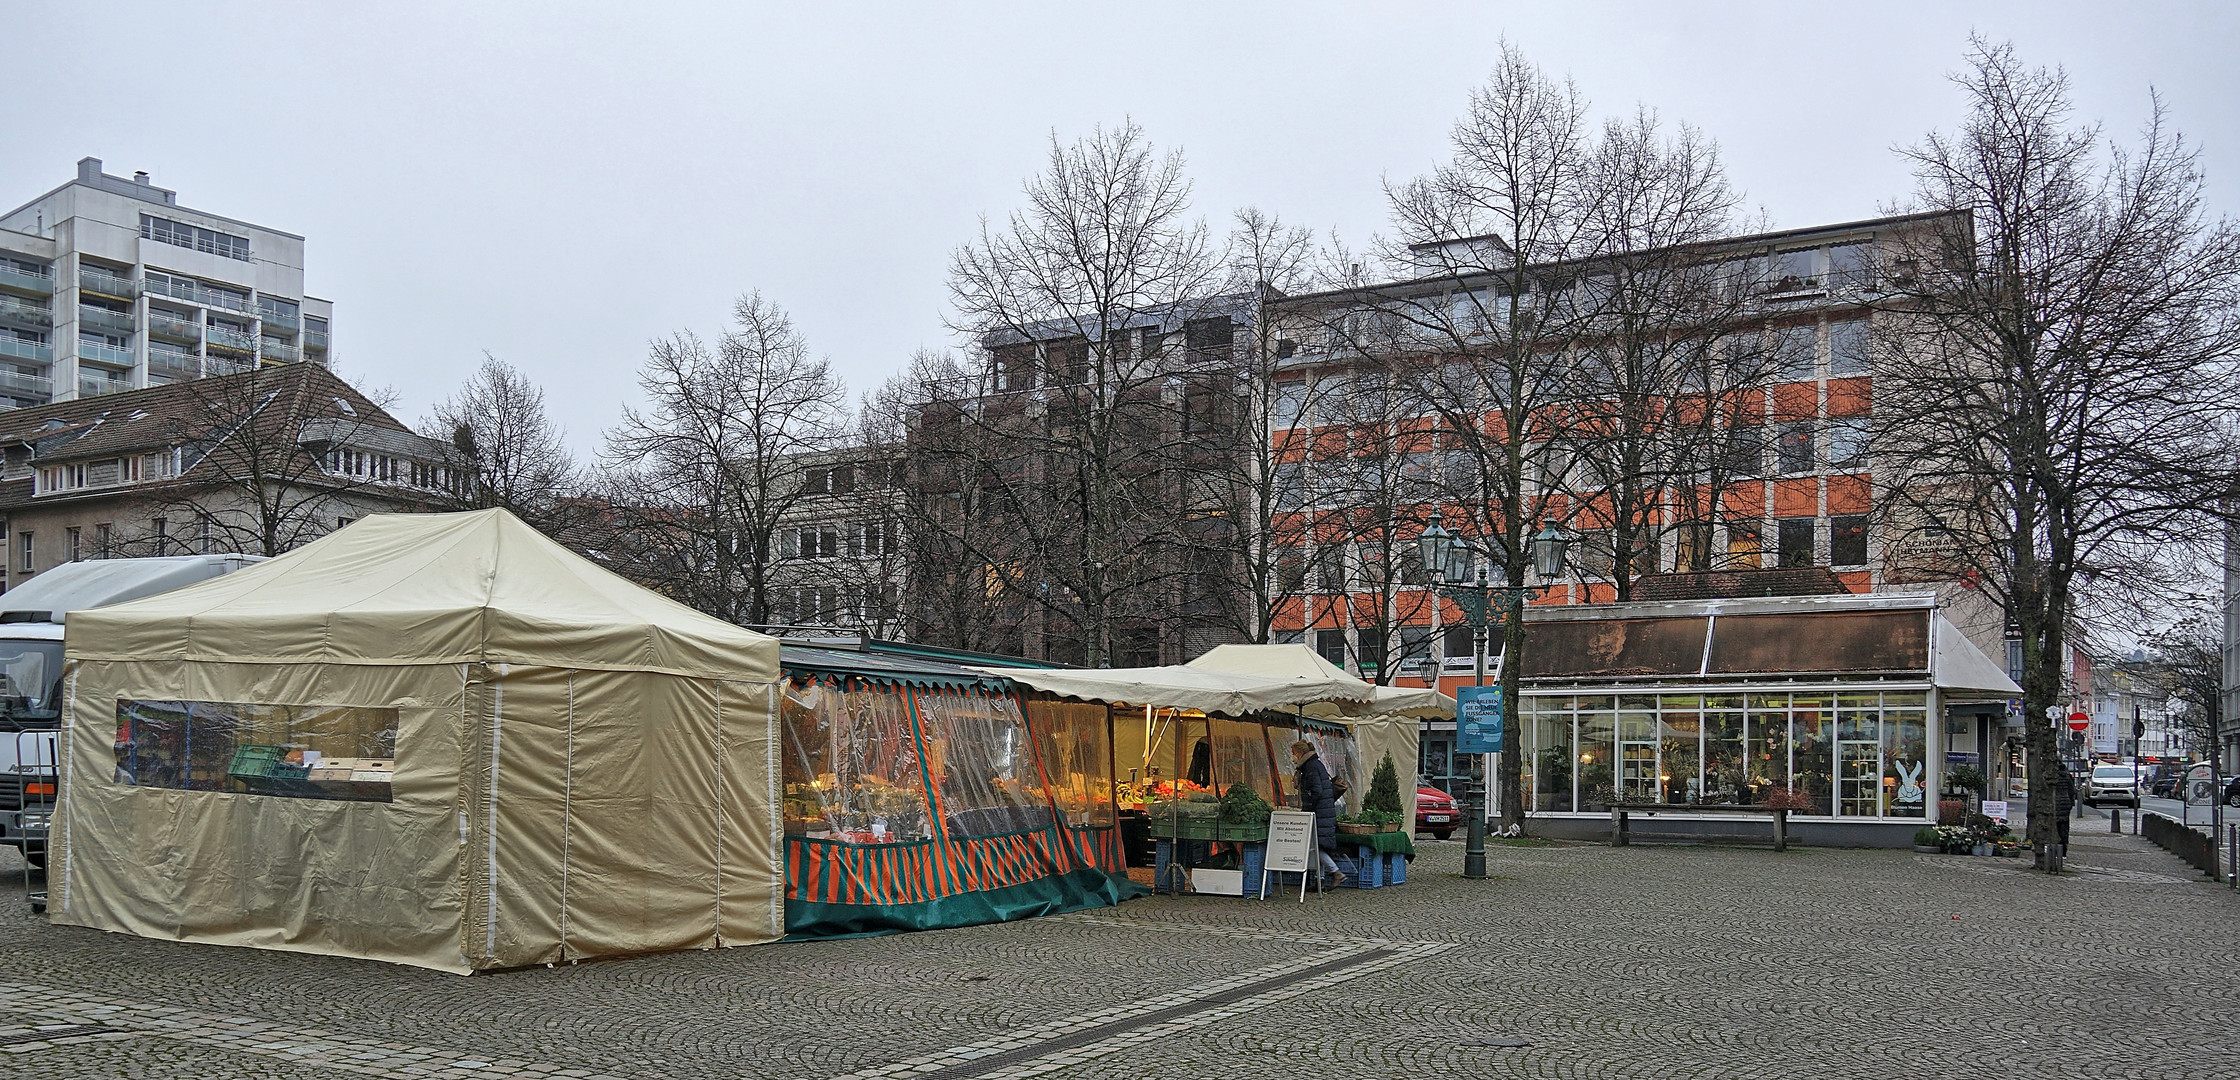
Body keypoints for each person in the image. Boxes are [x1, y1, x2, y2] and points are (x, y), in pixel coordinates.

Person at [1291, 739, 1345, 889]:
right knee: (1317, 845)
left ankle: (1336, 872)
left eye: (1293, 753)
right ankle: (1319, 880)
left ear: (1300, 753)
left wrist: (1308, 808)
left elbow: (1316, 791)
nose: (1292, 756)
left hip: (1319, 812)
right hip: (1323, 811)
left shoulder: (1311, 767)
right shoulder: (1313, 765)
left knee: (1316, 845)